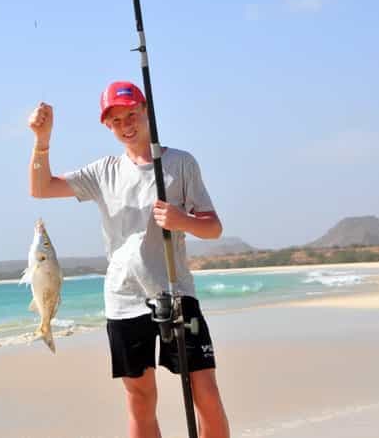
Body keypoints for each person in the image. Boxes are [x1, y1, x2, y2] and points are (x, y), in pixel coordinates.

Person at [27, 81, 230, 438]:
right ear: (108, 125)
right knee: (140, 397)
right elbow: (41, 188)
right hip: (123, 300)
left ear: (146, 110)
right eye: (116, 120)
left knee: (205, 390)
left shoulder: (180, 163)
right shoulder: (103, 172)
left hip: (177, 294)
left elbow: (213, 227)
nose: (126, 125)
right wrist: (42, 140)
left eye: (132, 115)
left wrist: (182, 220)